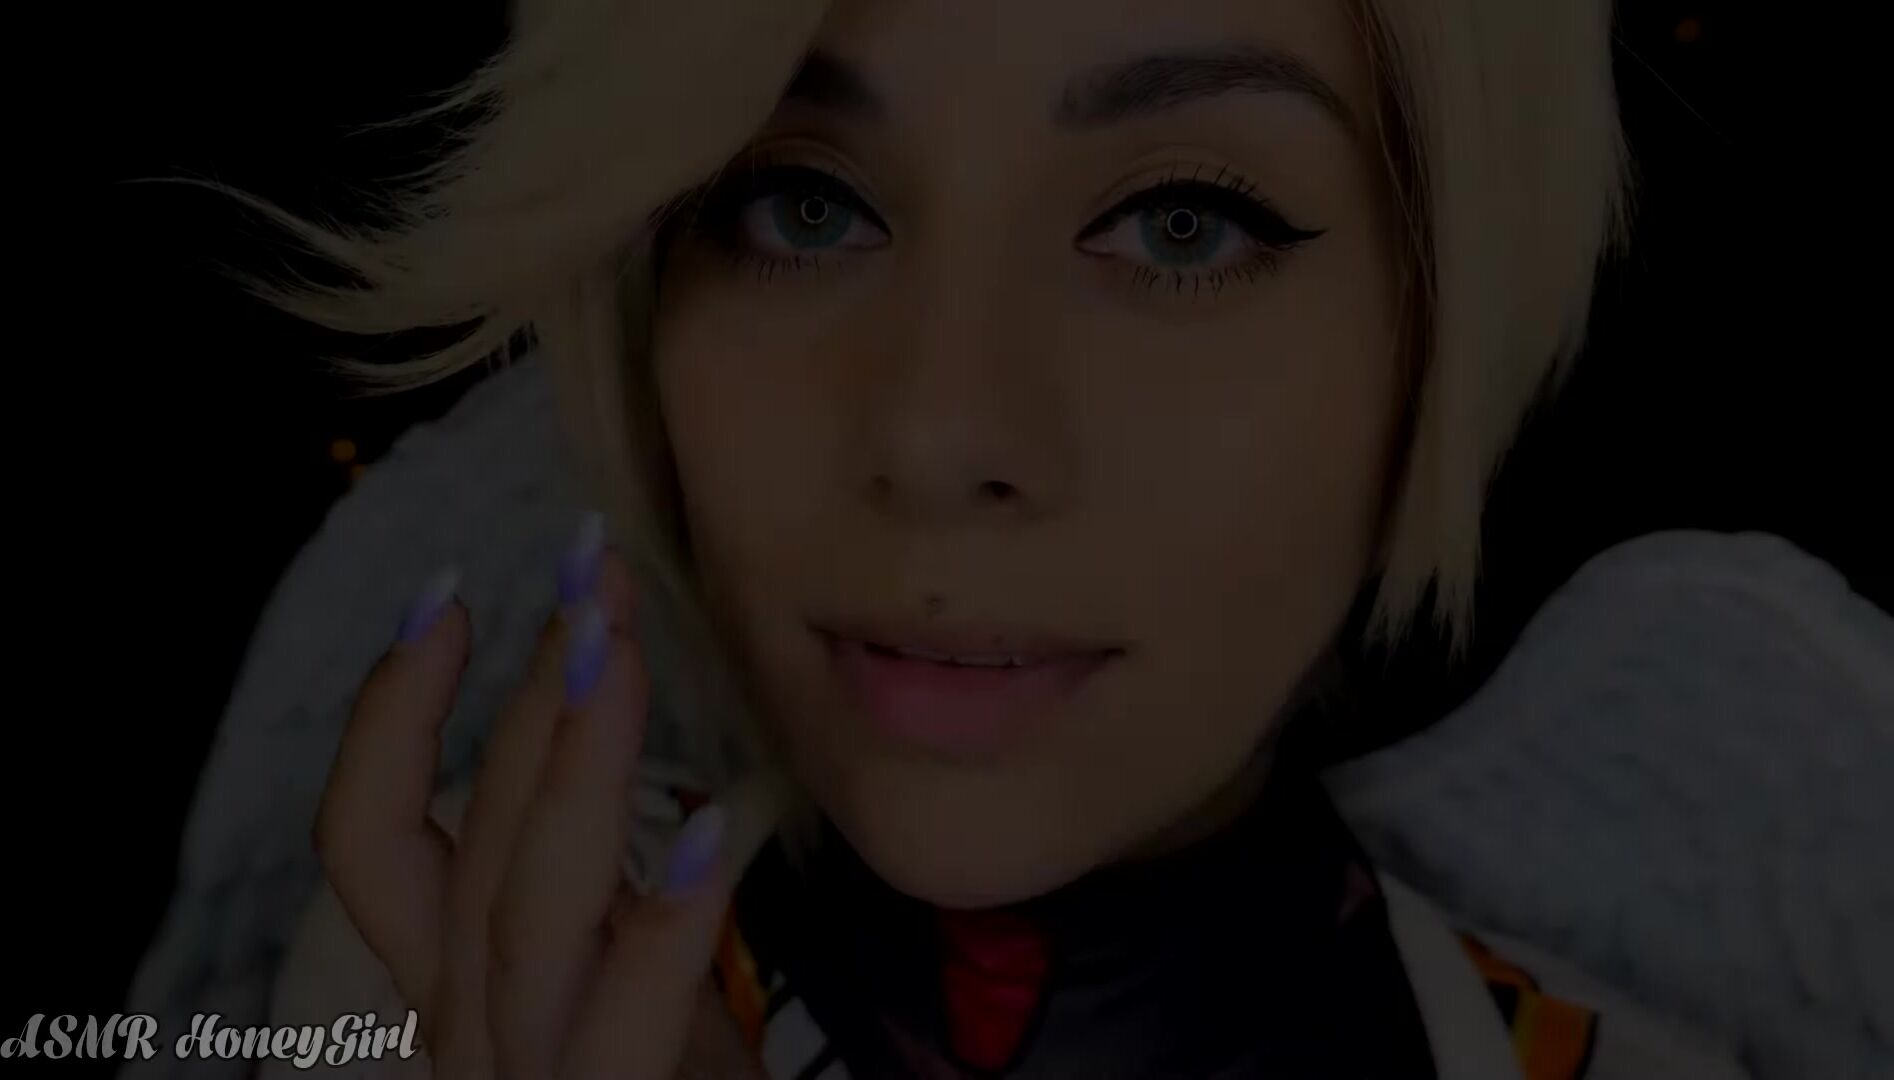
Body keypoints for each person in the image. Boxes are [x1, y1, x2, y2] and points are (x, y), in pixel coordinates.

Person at [128, 1, 1877, 1077]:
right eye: (800, 203)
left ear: (1437, 327)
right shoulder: (458, 971)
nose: (937, 433)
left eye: (1182, 225)